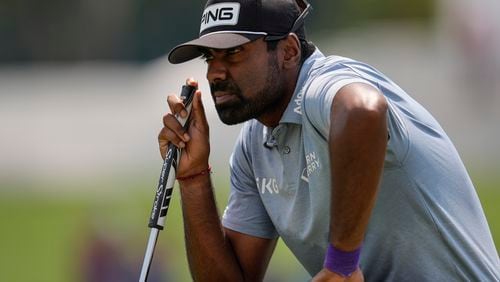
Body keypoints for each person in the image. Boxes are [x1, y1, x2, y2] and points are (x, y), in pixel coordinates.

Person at [159, 0, 500, 281]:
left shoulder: (322, 87)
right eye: (210, 58)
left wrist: (341, 264)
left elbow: (365, 111)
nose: (215, 72)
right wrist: (193, 177)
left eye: (233, 53)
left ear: (290, 51)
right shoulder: (254, 145)